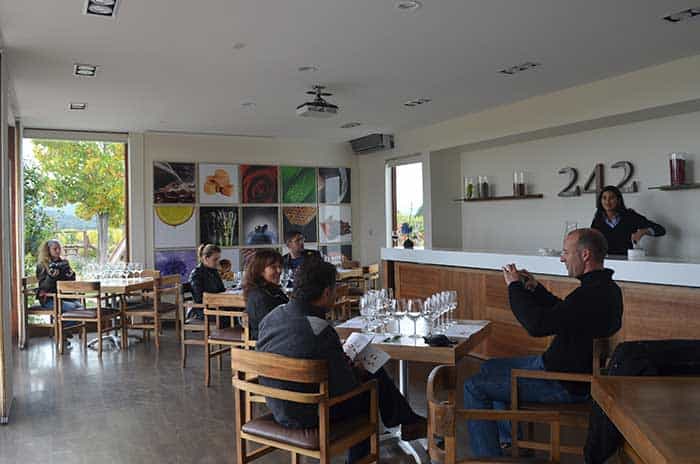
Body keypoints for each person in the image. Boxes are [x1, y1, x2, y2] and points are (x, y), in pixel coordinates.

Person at [463, 228, 623, 458]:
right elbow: (562, 313)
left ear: (585, 255)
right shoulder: (605, 289)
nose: (561, 258)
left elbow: (536, 325)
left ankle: (488, 458)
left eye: (566, 252)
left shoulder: (589, 295)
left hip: (562, 383)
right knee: (490, 367)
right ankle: (510, 441)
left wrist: (514, 287)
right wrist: (535, 289)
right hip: (561, 368)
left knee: (474, 387)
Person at [256, 256, 426, 463]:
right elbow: (346, 386)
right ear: (327, 292)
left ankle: (406, 420)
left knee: (367, 374)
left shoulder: (271, 317)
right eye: (335, 289)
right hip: (310, 413)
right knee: (371, 385)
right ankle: (397, 428)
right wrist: (358, 371)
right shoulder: (320, 330)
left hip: (278, 405)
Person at [590, 185, 665, 255]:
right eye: (604, 198)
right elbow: (591, 241)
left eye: (611, 198)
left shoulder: (630, 216)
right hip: (605, 262)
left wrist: (644, 231)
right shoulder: (598, 219)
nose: (607, 201)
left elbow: (660, 230)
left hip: (627, 262)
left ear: (618, 200)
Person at [36, 240, 81, 349]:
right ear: (48, 250)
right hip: (49, 299)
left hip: (64, 298)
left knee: (81, 309)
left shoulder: (63, 263)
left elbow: (69, 283)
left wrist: (71, 275)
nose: (57, 251)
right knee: (74, 308)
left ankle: (60, 329)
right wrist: (51, 277)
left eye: (59, 248)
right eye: (54, 249)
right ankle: (62, 331)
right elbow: (43, 287)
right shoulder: (42, 265)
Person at [242, 249, 288, 340]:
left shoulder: (271, 289)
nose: (279, 271)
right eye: (273, 267)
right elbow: (270, 328)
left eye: (280, 266)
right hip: (269, 343)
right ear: (259, 271)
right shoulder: (260, 296)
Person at [188, 243, 225, 319]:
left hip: (215, 306)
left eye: (218, 259)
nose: (217, 262)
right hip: (204, 310)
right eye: (215, 259)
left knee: (240, 311)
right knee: (237, 316)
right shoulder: (196, 274)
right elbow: (200, 298)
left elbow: (222, 290)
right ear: (205, 258)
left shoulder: (214, 271)